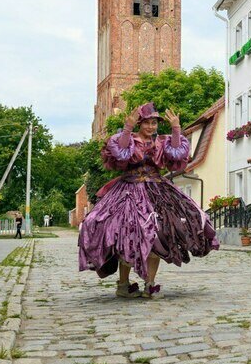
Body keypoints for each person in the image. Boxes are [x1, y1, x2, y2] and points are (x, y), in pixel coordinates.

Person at [78, 102, 219, 298]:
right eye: (147, 123)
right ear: (139, 123)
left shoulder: (162, 142)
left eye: (154, 123)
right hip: (128, 190)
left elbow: (177, 154)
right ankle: (123, 284)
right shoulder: (128, 140)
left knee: (159, 232)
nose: (151, 127)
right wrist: (127, 127)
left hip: (157, 190)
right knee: (124, 232)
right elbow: (120, 153)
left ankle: (150, 284)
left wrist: (176, 128)